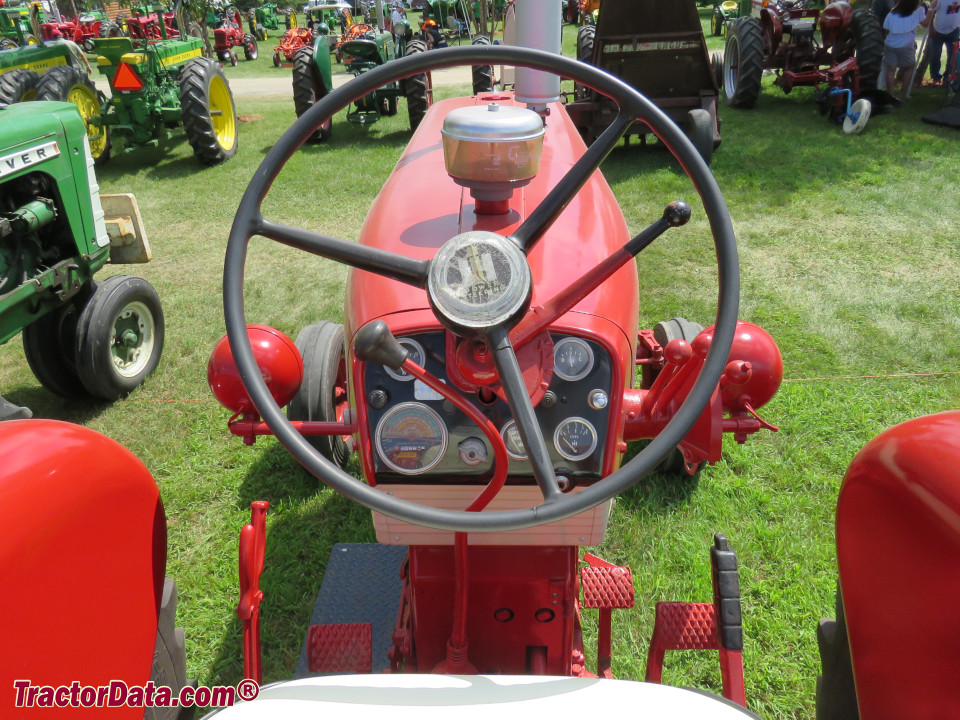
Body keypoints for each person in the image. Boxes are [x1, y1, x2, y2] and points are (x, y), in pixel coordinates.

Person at [882, 0, 928, 98]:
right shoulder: (918, 11)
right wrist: (932, 10)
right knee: (910, 68)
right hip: (905, 44)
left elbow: (886, 29)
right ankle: (903, 93)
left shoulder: (892, 13)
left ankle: (890, 93)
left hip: (890, 43)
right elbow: (926, 23)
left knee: (891, 69)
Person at [926, 0, 960, 84]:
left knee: (952, 57)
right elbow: (931, 12)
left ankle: (947, 78)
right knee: (935, 56)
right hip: (937, 32)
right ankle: (936, 78)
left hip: (954, 31)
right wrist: (931, 28)